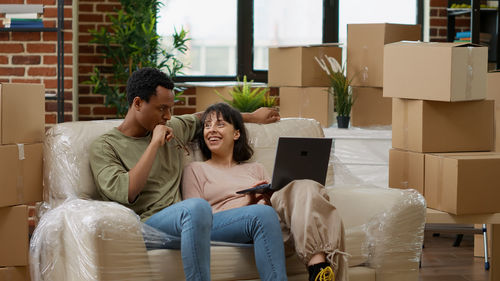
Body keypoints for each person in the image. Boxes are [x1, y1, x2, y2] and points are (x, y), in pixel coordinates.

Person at [89, 68, 286, 281]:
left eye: (171, 109)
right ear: (138, 103)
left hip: (194, 225)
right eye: (162, 108)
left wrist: (252, 117)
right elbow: (128, 191)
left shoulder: (172, 126)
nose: (168, 116)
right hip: (149, 227)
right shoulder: (105, 146)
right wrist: (154, 143)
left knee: (263, 215)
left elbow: (202, 117)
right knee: (196, 207)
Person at [182, 103, 348, 281]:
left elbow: (270, 210)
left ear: (236, 133)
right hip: (222, 225)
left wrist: (267, 200)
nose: (212, 130)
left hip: (265, 224)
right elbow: (195, 219)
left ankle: (319, 269)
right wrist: (248, 204)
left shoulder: (256, 168)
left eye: (220, 124)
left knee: (306, 187)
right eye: (207, 125)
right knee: (263, 212)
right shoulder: (195, 169)